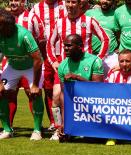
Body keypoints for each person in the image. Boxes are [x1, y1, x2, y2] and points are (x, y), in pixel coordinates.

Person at [46, 0, 109, 140]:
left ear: (80, 4)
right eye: (67, 1)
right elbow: (50, 44)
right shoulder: (59, 22)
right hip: (66, 67)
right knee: (57, 96)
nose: (69, 5)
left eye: (73, 2)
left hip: (86, 66)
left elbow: (105, 39)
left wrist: (98, 58)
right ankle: (58, 128)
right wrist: (54, 62)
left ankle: (88, 128)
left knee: (89, 97)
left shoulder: (90, 20)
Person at [0, 9, 44, 140]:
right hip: (13, 66)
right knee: (0, 92)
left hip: (31, 67)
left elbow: (37, 59)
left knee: (35, 93)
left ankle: (37, 131)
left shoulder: (24, 35)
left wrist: (35, 84)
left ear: (8, 26)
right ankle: (7, 130)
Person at [57, 34, 104, 139]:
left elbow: (98, 89)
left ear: (80, 46)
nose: (65, 48)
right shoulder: (62, 66)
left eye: (69, 46)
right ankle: (60, 127)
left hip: (93, 103)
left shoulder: (94, 61)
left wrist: (77, 77)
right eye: (64, 45)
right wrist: (65, 123)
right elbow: (64, 95)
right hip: (75, 103)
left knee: (92, 138)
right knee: (56, 96)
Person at [30, 0, 67, 131]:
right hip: (45, 55)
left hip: (65, 54)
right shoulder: (36, 8)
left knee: (66, 88)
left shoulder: (66, 4)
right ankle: (54, 122)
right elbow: (31, 31)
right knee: (48, 88)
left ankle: (70, 122)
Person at [85, 0, 119, 77]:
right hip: (91, 55)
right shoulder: (89, 13)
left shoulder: (116, 15)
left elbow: (119, 34)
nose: (105, 1)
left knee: (111, 83)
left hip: (110, 56)